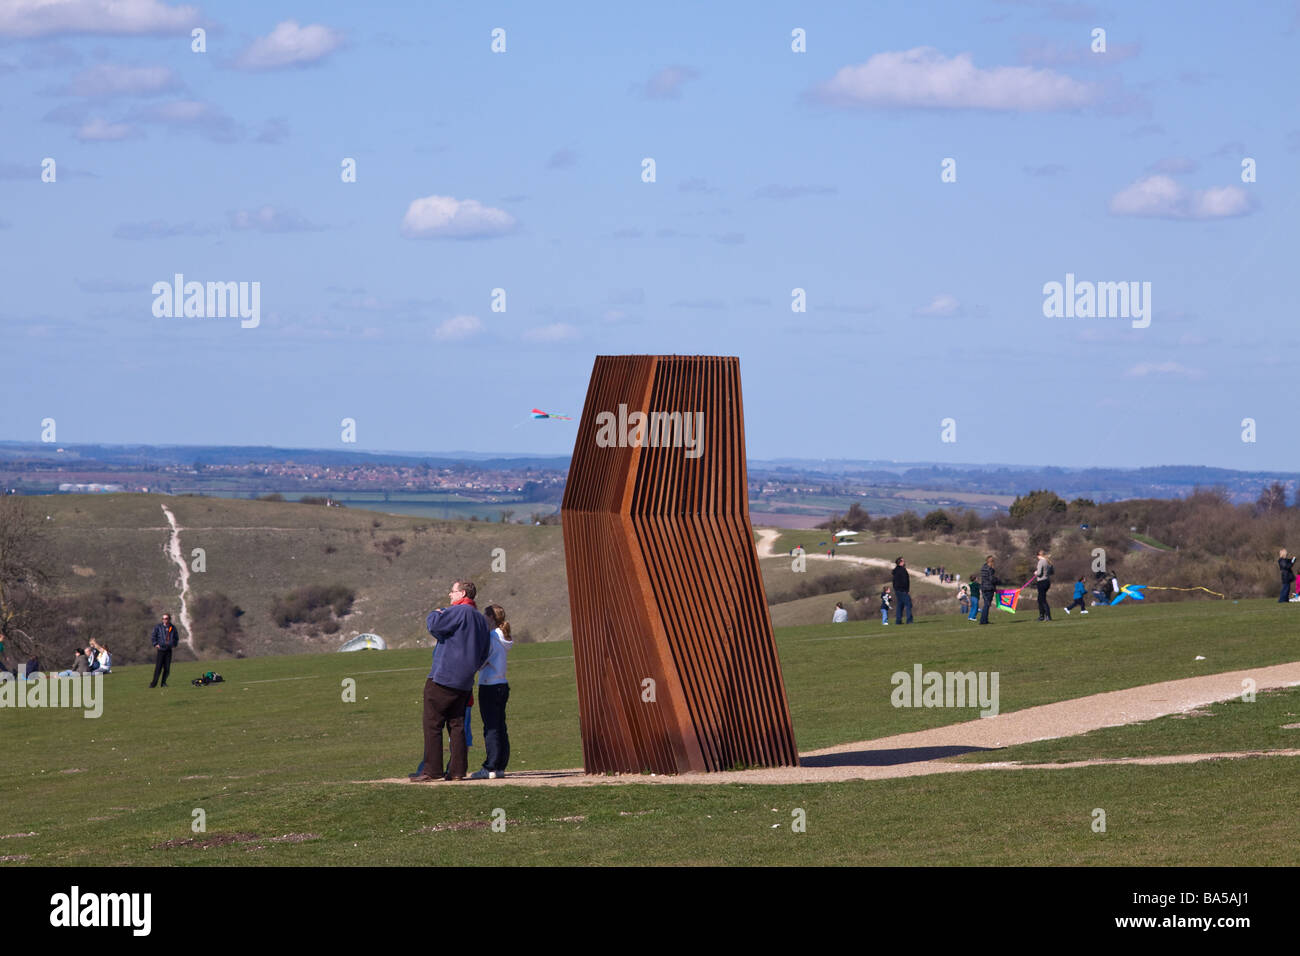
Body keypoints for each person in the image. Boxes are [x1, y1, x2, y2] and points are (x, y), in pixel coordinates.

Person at [412, 580, 491, 783]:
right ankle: (457, 770)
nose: (450, 595)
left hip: (444, 677)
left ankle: (432, 770)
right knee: (456, 725)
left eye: (453, 591)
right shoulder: (481, 619)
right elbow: (484, 653)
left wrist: (436, 612)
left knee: (432, 723)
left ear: (462, 593)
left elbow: (435, 625)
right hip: (465, 682)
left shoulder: (459, 612)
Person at [471, 604, 514, 780]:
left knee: (490, 728)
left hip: (489, 685)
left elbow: (481, 662)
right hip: (502, 683)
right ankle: (501, 765)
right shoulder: (504, 637)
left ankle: (490, 767)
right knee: (500, 726)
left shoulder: (491, 637)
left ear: (490, 617)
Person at [149, 614, 180, 687]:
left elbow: (176, 637)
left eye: (166, 618)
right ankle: (153, 683)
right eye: (163, 618)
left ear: (169, 619)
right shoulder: (158, 627)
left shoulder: (172, 628)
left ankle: (163, 683)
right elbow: (153, 636)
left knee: (167, 668)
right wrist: (155, 644)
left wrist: (174, 644)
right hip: (161, 649)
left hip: (168, 650)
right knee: (158, 667)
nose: (165, 620)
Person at [978, 555, 1001, 625]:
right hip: (989, 588)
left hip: (983, 588)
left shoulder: (983, 568)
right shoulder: (990, 569)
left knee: (986, 604)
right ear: (991, 562)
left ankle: (985, 619)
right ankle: (983, 621)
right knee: (987, 605)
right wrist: (998, 580)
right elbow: (991, 579)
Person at [1033, 549, 1053, 622]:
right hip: (1047, 581)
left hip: (1041, 582)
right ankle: (1041, 616)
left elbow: (1039, 573)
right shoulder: (1048, 562)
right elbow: (1052, 572)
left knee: (1042, 600)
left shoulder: (1041, 562)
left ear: (1039, 555)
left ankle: (1047, 616)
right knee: (1040, 599)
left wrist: (1035, 573)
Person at [892, 557, 913, 624]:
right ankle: (909, 620)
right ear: (900, 562)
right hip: (902, 590)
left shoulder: (896, 570)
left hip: (897, 590)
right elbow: (905, 581)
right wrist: (906, 589)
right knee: (908, 604)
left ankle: (898, 621)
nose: (904, 562)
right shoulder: (902, 570)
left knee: (900, 605)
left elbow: (894, 581)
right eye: (903, 561)